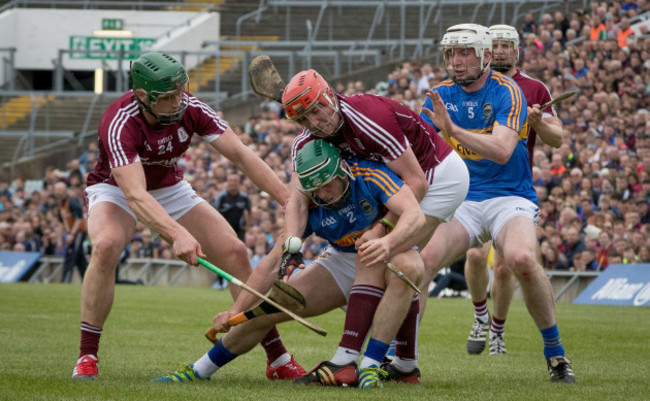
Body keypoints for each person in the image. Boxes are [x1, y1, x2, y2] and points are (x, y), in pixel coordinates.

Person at [71, 52, 301, 381]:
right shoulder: (119, 121)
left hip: (169, 187)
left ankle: (277, 359)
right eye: (168, 97)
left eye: (181, 91)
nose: (179, 101)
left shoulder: (191, 107)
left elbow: (240, 153)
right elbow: (135, 195)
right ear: (142, 97)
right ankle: (87, 355)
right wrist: (177, 233)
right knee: (106, 245)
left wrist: (286, 200)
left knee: (234, 252)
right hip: (117, 188)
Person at [154, 140, 425, 388]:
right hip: (341, 260)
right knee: (265, 312)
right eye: (314, 188)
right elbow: (272, 262)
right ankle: (199, 370)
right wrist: (235, 309)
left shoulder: (369, 175)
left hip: (391, 249)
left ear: (343, 171)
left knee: (409, 269)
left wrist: (386, 242)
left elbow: (414, 215)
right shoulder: (309, 204)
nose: (323, 194)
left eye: (327, 184)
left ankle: (376, 365)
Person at [419, 24, 574, 383]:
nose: (457, 62)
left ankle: (554, 354)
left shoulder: (521, 89)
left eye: (466, 53)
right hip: (462, 196)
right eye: (452, 54)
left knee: (517, 262)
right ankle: (402, 357)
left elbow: (547, 140)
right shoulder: (440, 95)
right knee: (426, 260)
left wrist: (535, 122)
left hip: (510, 193)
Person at [283, 68, 469, 320]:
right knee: (374, 263)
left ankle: (394, 353)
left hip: (438, 175)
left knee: (396, 263)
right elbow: (296, 201)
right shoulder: (308, 140)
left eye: (316, 110)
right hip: (410, 180)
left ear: (329, 96)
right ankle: (384, 344)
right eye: (304, 119)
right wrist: (291, 245)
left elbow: (417, 182)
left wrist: (381, 228)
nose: (314, 123)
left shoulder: (368, 119)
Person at [460, 24, 565, 357]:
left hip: (512, 188)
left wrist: (537, 123)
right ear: (485, 51)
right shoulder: (471, 84)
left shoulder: (534, 88)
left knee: (506, 266)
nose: (502, 50)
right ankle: (480, 316)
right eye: (496, 45)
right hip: (472, 186)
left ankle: (497, 331)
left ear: (517, 50)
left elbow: (557, 139)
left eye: (507, 45)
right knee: (475, 255)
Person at [53, 181, 88, 283]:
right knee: (80, 260)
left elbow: (79, 218)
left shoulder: (72, 201)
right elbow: (60, 223)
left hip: (78, 232)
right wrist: (59, 240)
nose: (57, 192)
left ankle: (65, 280)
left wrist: (72, 234)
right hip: (71, 232)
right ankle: (87, 281)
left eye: (59, 190)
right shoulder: (60, 204)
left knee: (70, 255)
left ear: (63, 190)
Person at [210, 172, 251, 242]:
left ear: (239, 183)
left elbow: (248, 211)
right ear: (227, 182)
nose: (233, 183)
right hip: (224, 230)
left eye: (235, 181)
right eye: (231, 181)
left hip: (239, 230)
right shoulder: (221, 197)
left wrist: (248, 226)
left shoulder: (244, 197)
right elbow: (213, 212)